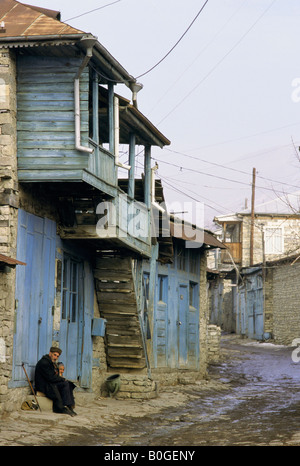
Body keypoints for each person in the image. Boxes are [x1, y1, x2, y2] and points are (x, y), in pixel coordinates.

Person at [34, 347, 77, 416]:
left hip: (49, 383)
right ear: (50, 353)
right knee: (64, 383)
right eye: (54, 355)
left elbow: (53, 376)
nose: (56, 357)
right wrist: (62, 379)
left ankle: (69, 405)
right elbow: (51, 378)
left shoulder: (50, 362)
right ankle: (61, 408)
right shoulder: (44, 362)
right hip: (43, 385)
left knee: (68, 383)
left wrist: (62, 379)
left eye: (57, 356)